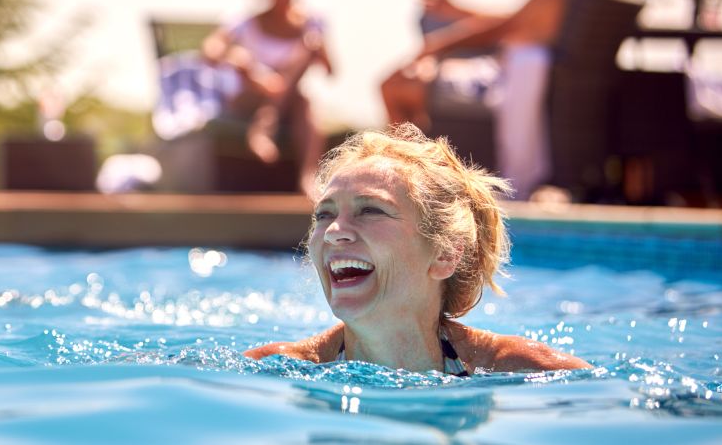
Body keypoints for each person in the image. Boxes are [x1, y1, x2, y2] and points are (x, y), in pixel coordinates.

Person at [245, 124, 590, 374]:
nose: (334, 232)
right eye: (325, 214)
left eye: (370, 210)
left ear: (445, 255)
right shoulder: (275, 370)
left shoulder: (525, 371)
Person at [380, 0, 600, 200]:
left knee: (394, 88)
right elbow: (512, 18)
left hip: (500, 88)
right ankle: (420, 180)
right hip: (539, 92)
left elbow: (503, 28)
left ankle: (408, 188)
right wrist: (456, 9)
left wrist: (437, 45)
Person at [201, 0, 335, 195]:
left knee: (303, 93)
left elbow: (330, 70)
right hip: (249, 96)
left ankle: (307, 176)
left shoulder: (312, 23)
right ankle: (265, 122)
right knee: (293, 94)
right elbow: (212, 50)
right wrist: (239, 59)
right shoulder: (245, 20)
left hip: (290, 101)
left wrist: (317, 48)